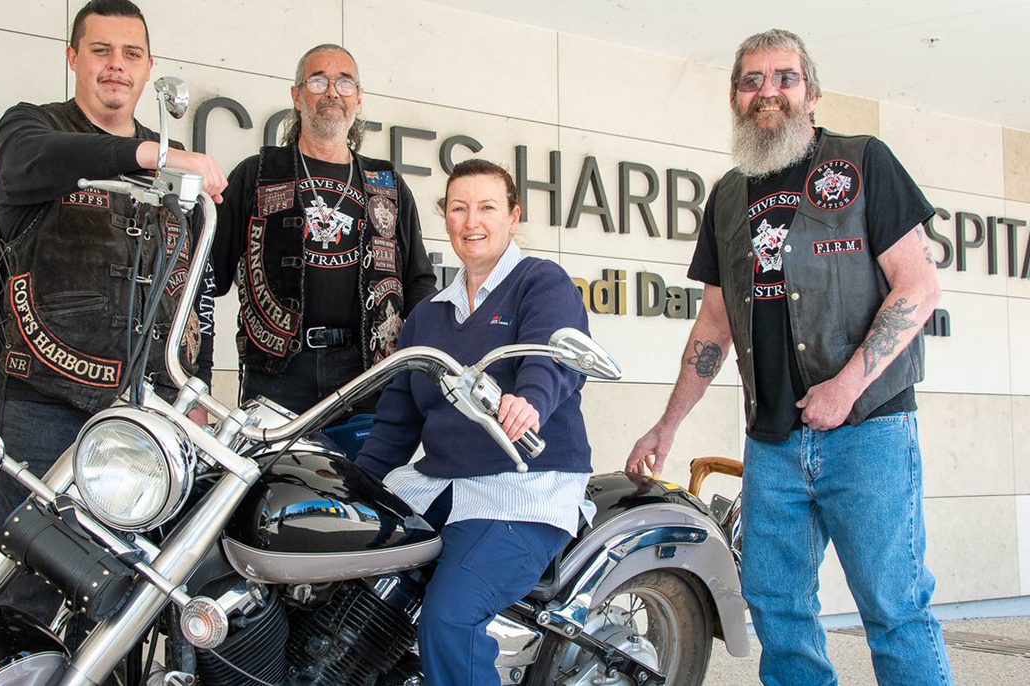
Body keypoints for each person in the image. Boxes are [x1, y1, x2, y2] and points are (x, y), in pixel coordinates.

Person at [624, 29, 953, 686]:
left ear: (812, 93)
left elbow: (917, 286)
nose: (766, 91)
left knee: (893, 609)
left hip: (870, 433)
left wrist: (847, 388)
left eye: (783, 77)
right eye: (751, 80)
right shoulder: (727, 196)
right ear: (735, 96)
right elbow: (713, 325)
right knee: (777, 609)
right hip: (772, 441)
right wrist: (668, 425)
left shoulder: (863, 163)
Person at [0, 0, 227, 622]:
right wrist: (153, 157)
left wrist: (196, 388)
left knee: (129, 599)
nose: (116, 66)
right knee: (24, 590)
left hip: (147, 420)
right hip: (41, 403)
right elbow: (33, 162)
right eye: (101, 51)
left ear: (148, 70)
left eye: (131, 54)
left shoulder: (175, 170)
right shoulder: (32, 129)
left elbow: (196, 293)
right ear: (72, 58)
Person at [355, 159, 594, 685]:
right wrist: (356, 486)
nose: (472, 221)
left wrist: (529, 399)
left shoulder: (540, 282)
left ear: (513, 216)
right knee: (343, 571)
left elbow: (552, 352)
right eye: (459, 208)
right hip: (440, 482)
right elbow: (396, 422)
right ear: (446, 218)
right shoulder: (428, 315)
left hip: (524, 487)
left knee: (451, 619)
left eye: (487, 207)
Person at [211, 43, 436, 414]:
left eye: (345, 83)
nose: (332, 91)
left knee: (364, 472)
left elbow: (419, 283)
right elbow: (209, 276)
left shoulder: (387, 183)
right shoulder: (258, 173)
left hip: (368, 370)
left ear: (359, 98)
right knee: (276, 473)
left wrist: (418, 370)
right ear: (296, 95)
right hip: (278, 370)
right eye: (318, 80)